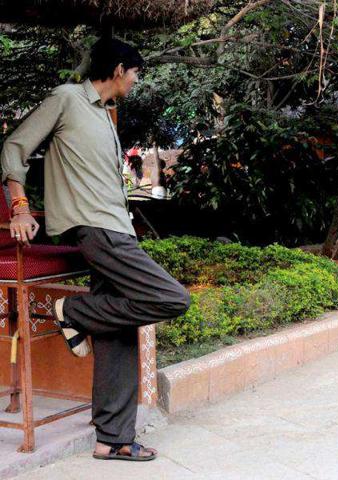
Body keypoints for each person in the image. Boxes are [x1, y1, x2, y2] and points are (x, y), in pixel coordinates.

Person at [0, 37, 190, 461]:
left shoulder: (104, 115)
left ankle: (113, 439)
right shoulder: (66, 99)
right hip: (95, 230)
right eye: (136, 71)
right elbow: (15, 146)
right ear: (120, 68)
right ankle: (75, 312)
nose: (138, 79)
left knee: (117, 330)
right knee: (172, 298)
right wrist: (20, 206)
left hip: (115, 227)